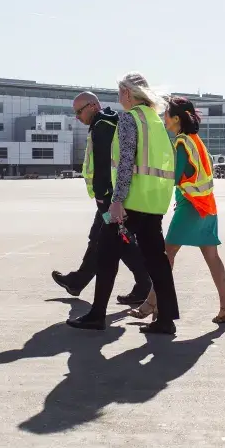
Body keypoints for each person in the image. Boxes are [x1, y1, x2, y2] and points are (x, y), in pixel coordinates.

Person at [66, 72, 180, 335]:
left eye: (119, 93)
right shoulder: (155, 119)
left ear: (127, 93)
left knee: (106, 254)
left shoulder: (130, 118)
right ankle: (166, 319)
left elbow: (126, 161)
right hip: (154, 200)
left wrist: (117, 201)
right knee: (157, 261)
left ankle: (97, 315)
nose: (118, 98)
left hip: (131, 201)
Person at [130, 96, 225, 325]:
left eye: (166, 114)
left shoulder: (182, 143)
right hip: (207, 206)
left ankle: (152, 303)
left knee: (166, 255)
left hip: (191, 206)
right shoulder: (196, 141)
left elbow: (173, 177)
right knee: (211, 256)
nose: (164, 118)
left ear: (176, 119)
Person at [51, 92, 151, 305]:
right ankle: (78, 281)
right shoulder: (107, 121)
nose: (77, 117)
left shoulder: (103, 126)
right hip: (113, 196)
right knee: (101, 237)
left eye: (79, 111)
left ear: (93, 106)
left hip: (109, 198)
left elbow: (104, 165)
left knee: (117, 241)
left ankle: (145, 285)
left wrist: (102, 196)